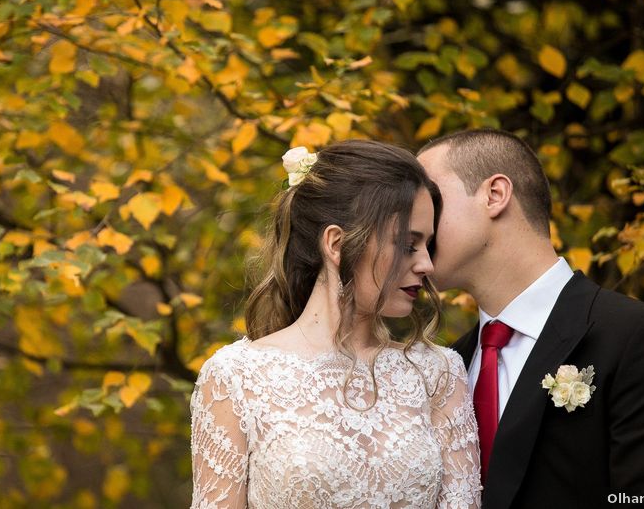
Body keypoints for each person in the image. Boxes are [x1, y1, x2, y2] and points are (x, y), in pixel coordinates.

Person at [417, 128, 644, 509]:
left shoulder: (641, 341)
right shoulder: (450, 367)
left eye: (431, 200)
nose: (415, 223)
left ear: (495, 195)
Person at [190, 140, 481, 508]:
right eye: (408, 245)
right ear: (336, 243)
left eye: (428, 245)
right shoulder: (235, 378)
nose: (426, 265)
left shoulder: (438, 373)